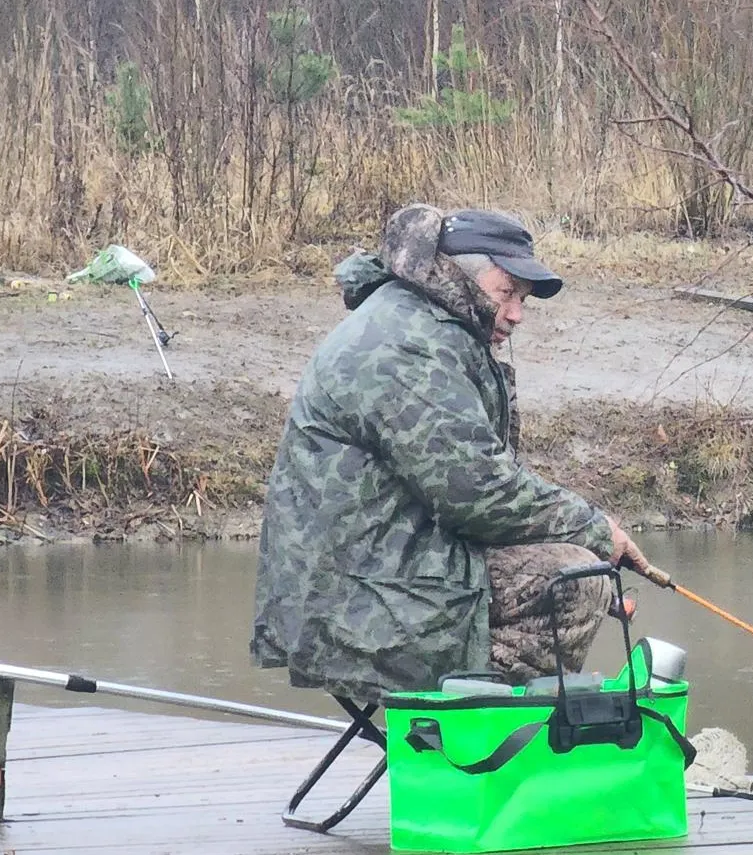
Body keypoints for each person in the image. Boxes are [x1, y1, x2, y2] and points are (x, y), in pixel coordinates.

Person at [251, 203, 650, 704]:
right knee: (574, 581)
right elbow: (476, 491)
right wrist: (595, 533)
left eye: (523, 299)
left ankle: (467, 730)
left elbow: (472, 480)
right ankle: (481, 739)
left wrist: (589, 545)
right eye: (507, 292)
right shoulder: (409, 344)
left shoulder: (419, 322)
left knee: (581, 570)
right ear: (458, 275)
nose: (517, 314)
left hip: (369, 572)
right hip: (354, 598)